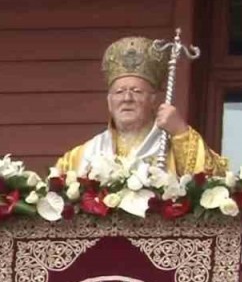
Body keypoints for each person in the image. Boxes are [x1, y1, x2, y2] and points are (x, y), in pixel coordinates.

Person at [55, 36, 228, 177]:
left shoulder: (170, 145)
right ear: (109, 102)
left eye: (137, 91)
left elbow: (213, 180)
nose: (127, 98)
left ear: (153, 100)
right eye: (119, 92)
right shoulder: (81, 156)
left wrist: (180, 132)